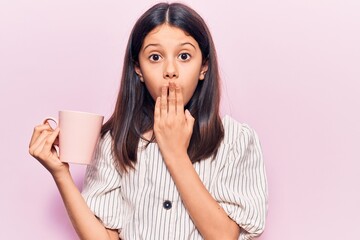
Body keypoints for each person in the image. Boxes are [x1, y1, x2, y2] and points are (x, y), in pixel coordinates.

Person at [29, 2, 268, 240]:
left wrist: (175, 153)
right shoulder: (115, 142)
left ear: (203, 66)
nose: (170, 70)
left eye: (184, 56)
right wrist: (60, 174)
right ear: (138, 69)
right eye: (155, 57)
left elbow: (225, 237)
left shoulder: (236, 141)